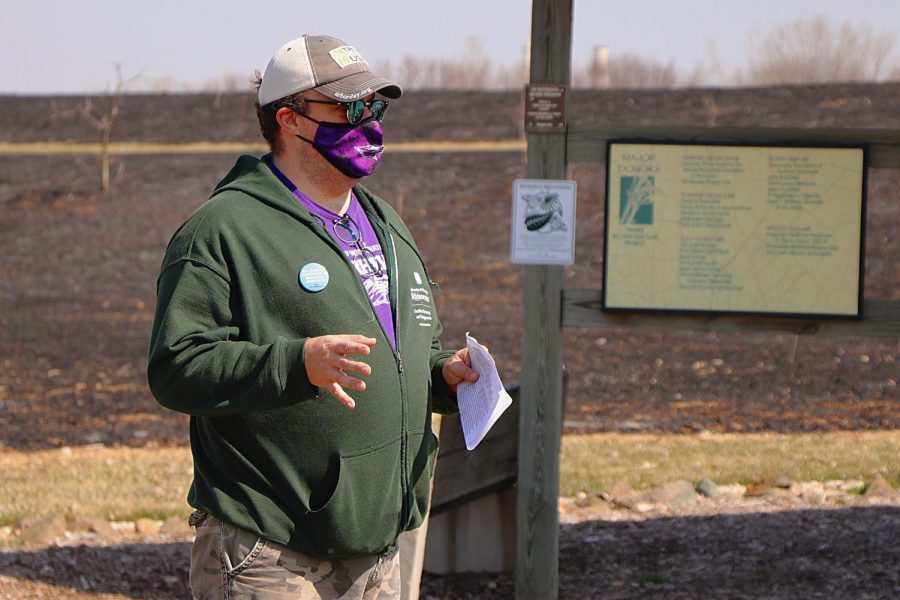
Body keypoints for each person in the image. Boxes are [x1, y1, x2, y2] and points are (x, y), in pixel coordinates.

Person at [147, 34, 479, 599]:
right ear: (290, 119)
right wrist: (295, 364)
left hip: (378, 550)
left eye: (375, 106)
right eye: (349, 108)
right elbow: (178, 367)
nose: (369, 121)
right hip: (269, 552)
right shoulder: (223, 229)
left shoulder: (385, 222)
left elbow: (406, 354)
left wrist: (444, 375)